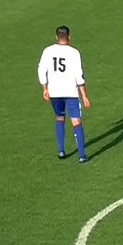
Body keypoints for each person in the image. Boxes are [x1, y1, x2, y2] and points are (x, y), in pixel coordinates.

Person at [38, 25, 91, 163]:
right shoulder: (74, 53)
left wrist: (45, 88)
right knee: (76, 121)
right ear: (69, 37)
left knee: (59, 118)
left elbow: (41, 69)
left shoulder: (48, 51)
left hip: (54, 91)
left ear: (56, 37)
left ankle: (61, 151)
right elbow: (79, 75)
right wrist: (84, 95)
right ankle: (81, 155)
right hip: (71, 91)